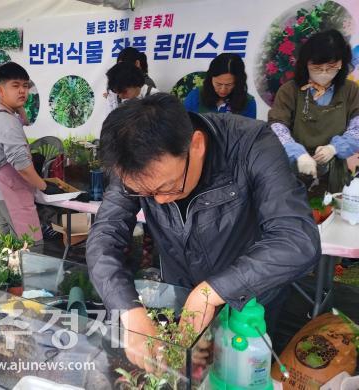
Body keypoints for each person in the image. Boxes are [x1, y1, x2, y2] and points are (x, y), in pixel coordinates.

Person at [87, 93, 319, 369]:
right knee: (187, 370)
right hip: (180, 292)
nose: (158, 201)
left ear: (196, 145)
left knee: (239, 372)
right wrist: (129, 311)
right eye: (144, 194)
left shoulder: (251, 143)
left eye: (166, 187)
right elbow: (104, 238)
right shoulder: (131, 164)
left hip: (249, 297)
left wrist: (211, 292)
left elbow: (297, 239)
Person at [268, 29, 359, 193]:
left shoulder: (351, 91)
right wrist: (297, 153)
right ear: (306, 64)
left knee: (329, 213)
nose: (324, 73)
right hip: (293, 170)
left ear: (342, 64)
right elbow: (277, 126)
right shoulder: (289, 90)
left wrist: (334, 148)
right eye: (317, 67)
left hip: (334, 172)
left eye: (331, 67)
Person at [0, 62, 60, 241]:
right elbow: (23, 166)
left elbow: (24, 121)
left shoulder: (1, 114)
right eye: (15, 86)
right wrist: (44, 187)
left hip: (2, 189)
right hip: (12, 191)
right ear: (0, 91)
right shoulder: (7, 122)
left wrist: (18, 107)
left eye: (25, 86)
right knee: (31, 245)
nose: (22, 91)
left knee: (7, 241)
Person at [184, 53, 257, 118]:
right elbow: (183, 124)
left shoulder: (248, 102)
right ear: (210, 79)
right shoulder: (196, 95)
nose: (223, 89)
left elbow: (249, 132)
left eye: (229, 84)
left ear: (238, 82)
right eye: (218, 84)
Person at [105, 47, 156, 115]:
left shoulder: (152, 94)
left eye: (124, 91)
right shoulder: (116, 94)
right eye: (117, 92)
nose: (120, 96)